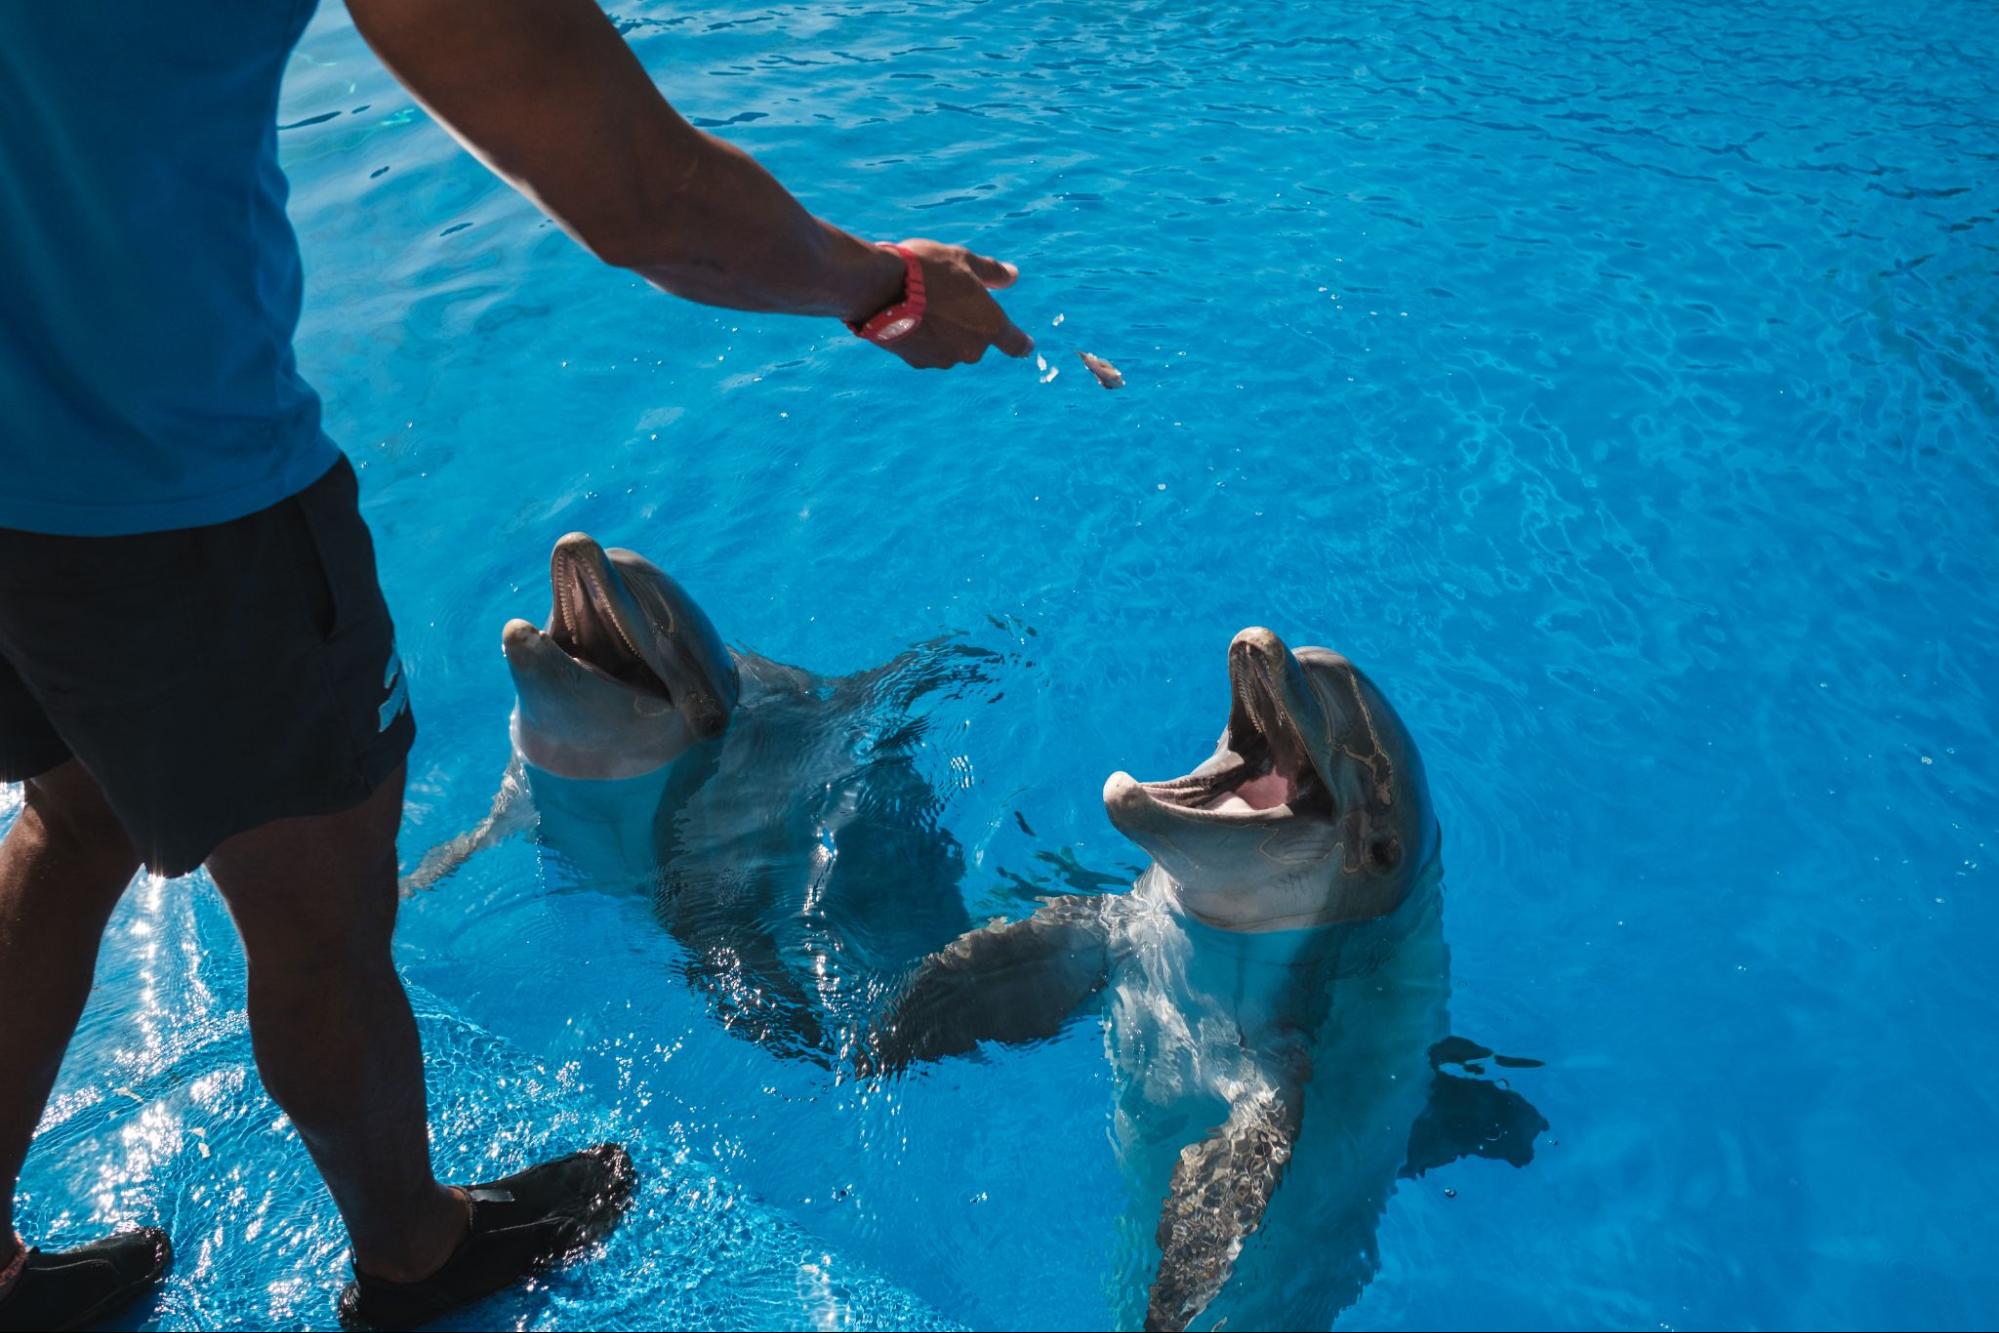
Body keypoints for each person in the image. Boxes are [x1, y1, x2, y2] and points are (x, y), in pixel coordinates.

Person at [0, 2, 1032, 1329]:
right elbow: (641, 187)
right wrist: (879, 284)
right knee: (317, 920)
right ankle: (415, 1254)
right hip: (169, 495)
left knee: (74, 814)